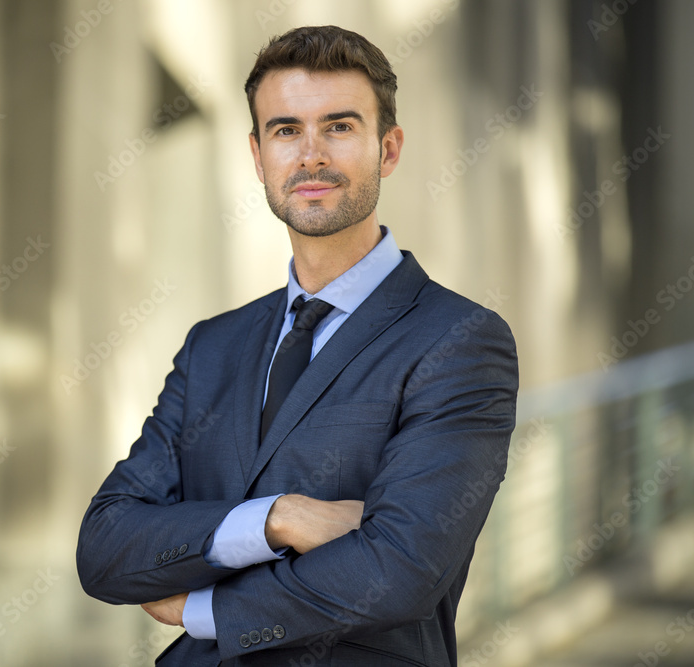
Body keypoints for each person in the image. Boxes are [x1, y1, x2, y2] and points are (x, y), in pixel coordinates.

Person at [77, 25, 518, 666]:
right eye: (286, 131)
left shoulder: (458, 341)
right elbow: (106, 545)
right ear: (258, 157)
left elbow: (400, 571)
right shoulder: (213, 348)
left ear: (388, 148)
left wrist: (203, 609)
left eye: (339, 127)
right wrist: (277, 519)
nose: (310, 155)